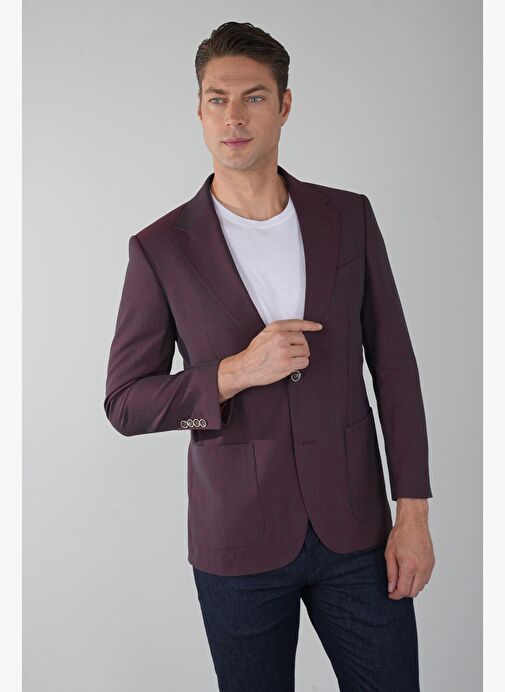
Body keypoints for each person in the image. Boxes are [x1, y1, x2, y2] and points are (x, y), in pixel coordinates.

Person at [104, 20, 435, 692]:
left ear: (284, 106)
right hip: (237, 540)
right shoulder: (160, 248)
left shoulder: (348, 217)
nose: (234, 116)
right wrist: (234, 373)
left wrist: (413, 514)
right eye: (217, 99)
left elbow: (395, 368)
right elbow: (126, 403)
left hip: (357, 532)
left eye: (253, 97)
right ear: (199, 111)